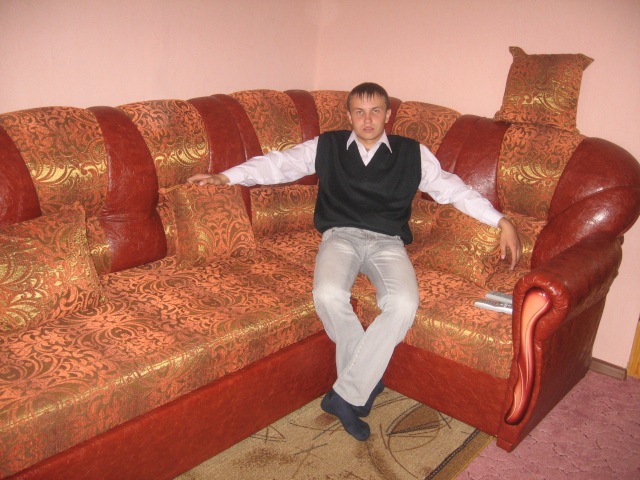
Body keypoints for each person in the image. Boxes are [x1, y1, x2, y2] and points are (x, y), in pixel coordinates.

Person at [188, 82, 521, 441]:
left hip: (388, 242)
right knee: (328, 295)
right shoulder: (327, 146)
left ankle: (345, 394)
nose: (367, 119)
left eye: (375, 111)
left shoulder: (413, 153)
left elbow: (454, 189)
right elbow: (278, 164)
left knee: (403, 304)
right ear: (348, 116)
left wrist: (501, 221)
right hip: (340, 236)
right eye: (359, 112)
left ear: (387, 115)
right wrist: (225, 176)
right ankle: (362, 382)